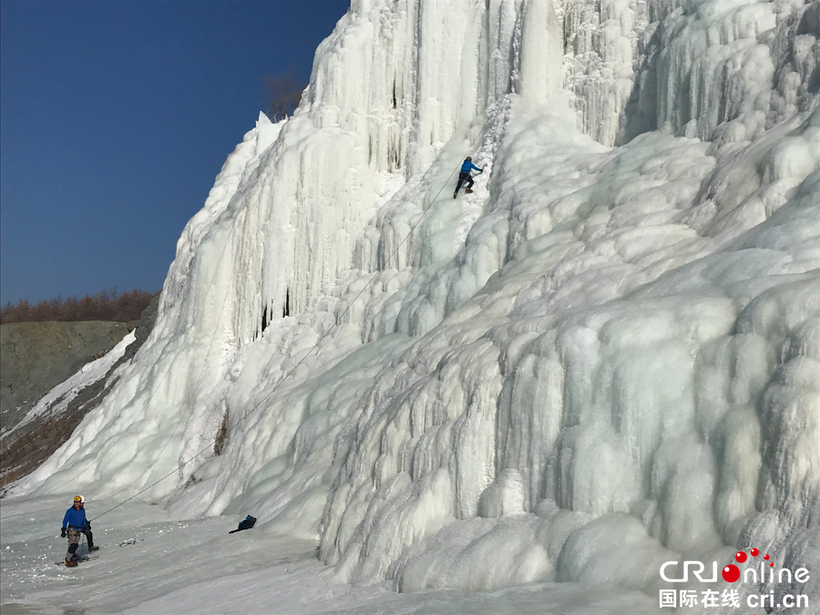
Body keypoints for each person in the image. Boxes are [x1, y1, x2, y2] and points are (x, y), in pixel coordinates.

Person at [60, 495, 96, 567]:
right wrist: (63, 529)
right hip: (72, 530)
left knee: (75, 545)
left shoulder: (82, 510)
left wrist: (85, 527)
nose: (77, 503)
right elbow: (65, 520)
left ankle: (72, 556)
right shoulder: (70, 511)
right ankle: (68, 560)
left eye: (78, 502)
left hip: (78, 530)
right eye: (75, 502)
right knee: (72, 545)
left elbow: (83, 519)